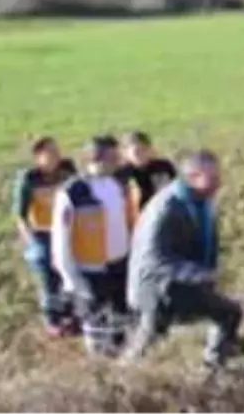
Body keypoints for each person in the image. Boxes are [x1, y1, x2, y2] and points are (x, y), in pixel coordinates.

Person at [121, 149, 242, 369]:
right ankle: (122, 377)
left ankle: (213, 367)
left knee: (229, 313)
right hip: (157, 288)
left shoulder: (200, 201)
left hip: (182, 284)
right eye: (212, 177)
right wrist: (200, 274)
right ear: (193, 177)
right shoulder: (165, 208)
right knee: (149, 337)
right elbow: (155, 258)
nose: (219, 182)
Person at [52, 135, 132, 356]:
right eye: (113, 157)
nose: (119, 161)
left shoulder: (118, 185)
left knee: (120, 318)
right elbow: (60, 240)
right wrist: (71, 278)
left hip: (120, 263)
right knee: (96, 321)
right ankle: (99, 363)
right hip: (90, 269)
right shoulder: (71, 193)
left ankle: (122, 356)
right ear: (96, 158)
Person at [13, 136, 79, 336]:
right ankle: (53, 318)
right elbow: (20, 215)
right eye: (50, 153)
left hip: (67, 229)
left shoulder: (68, 170)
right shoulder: (29, 178)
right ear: (38, 157)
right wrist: (31, 241)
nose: (56, 156)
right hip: (43, 232)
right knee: (47, 274)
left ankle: (70, 313)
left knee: (68, 272)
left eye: (57, 151)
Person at [119, 131, 177, 229]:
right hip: (137, 223)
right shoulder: (123, 174)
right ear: (126, 153)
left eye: (144, 149)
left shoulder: (163, 167)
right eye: (137, 152)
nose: (142, 154)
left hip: (163, 217)